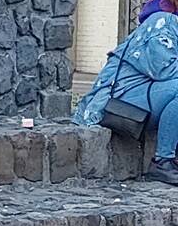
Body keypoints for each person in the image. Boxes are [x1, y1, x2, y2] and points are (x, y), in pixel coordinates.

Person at [74, 10, 178, 184]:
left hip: (138, 96)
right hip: (116, 101)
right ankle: (162, 162)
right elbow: (164, 69)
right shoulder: (163, 23)